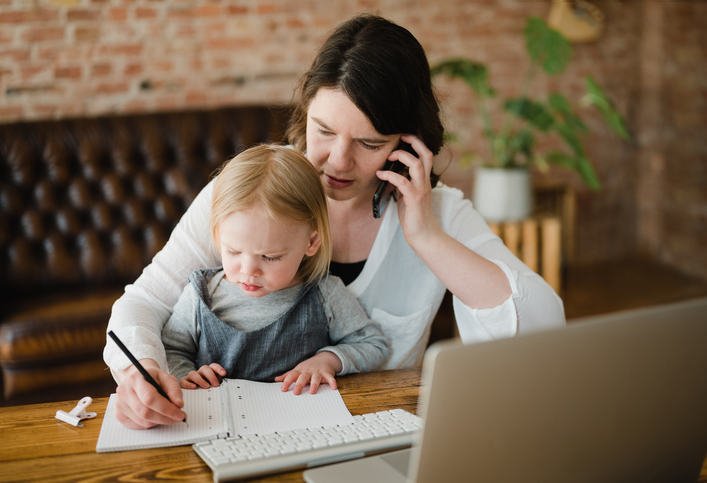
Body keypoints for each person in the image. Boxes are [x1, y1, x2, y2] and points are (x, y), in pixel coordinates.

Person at [104, 13, 566, 430]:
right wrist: (140, 373)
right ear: (305, 113)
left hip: (376, 439)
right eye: (323, 131)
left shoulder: (439, 214)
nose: (337, 162)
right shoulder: (258, 189)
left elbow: (543, 328)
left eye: (368, 142)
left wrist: (424, 236)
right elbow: (141, 304)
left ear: (408, 143)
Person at [161, 144, 388, 397]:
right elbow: (171, 350)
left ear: (311, 243)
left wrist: (328, 360)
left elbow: (372, 344)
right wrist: (185, 375)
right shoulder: (199, 296)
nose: (248, 270)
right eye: (233, 251)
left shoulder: (326, 293)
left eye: (269, 257)